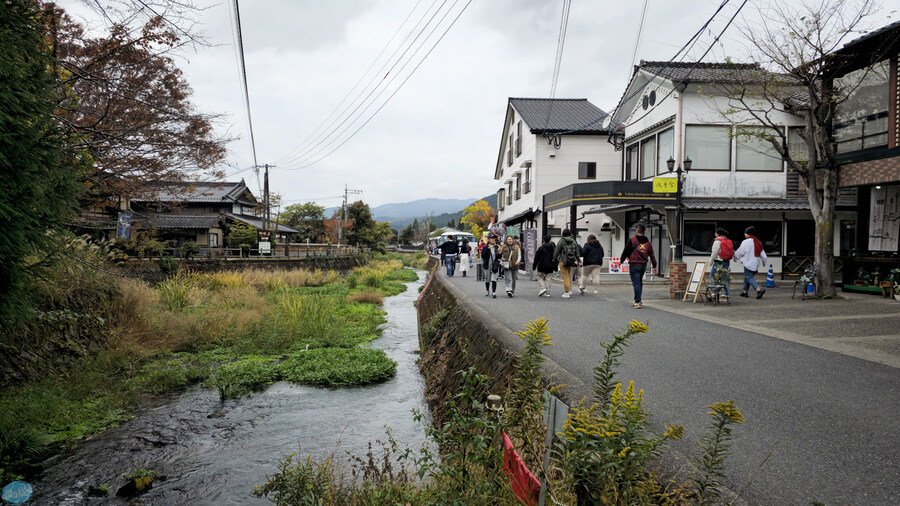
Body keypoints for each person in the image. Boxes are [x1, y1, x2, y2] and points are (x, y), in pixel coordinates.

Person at [620, 224, 658, 309]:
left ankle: (637, 301)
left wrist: (621, 261)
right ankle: (639, 299)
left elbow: (625, 251)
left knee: (636, 283)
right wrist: (654, 266)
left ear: (637, 231)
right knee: (639, 282)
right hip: (643, 265)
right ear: (644, 231)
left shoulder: (632, 240)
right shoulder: (648, 243)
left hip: (634, 264)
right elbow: (652, 255)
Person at [734, 226, 768, 299]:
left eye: (745, 233)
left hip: (748, 262)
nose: (744, 234)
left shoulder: (746, 242)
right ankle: (745, 292)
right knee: (748, 277)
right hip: (756, 263)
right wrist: (764, 261)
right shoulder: (758, 242)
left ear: (748, 234)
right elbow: (762, 253)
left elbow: (741, 251)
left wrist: (735, 257)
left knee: (748, 277)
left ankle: (759, 290)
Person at [553, 229, 581, 298]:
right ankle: (569, 290)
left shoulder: (561, 241)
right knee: (568, 275)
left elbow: (557, 250)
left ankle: (567, 292)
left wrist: (554, 259)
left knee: (565, 276)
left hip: (563, 261)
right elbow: (577, 252)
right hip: (571, 261)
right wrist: (578, 260)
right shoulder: (573, 241)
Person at [708, 228, 733, 296]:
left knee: (712, 275)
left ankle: (716, 290)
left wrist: (710, 262)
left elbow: (714, 253)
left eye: (715, 233)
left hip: (719, 261)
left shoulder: (717, 241)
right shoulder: (728, 241)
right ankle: (726, 293)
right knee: (724, 277)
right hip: (727, 261)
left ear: (717, 234)